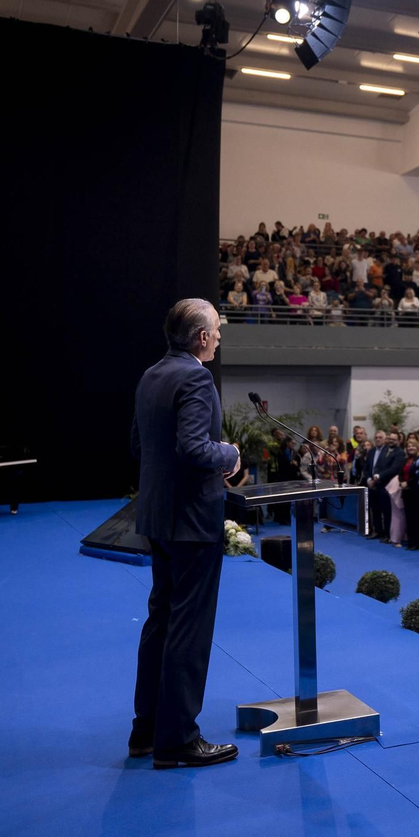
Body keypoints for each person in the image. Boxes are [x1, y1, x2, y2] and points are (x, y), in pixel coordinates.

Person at [128, 299, 243, 769]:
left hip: (157, 517)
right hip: (193, 523)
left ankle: (146, 731)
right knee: (188, 630)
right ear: (201, 337)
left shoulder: (152, 374)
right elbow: (196, 447)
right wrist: (230, 454)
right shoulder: (196, 377)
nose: (219, 336)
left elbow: (139, 445)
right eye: (217, 330)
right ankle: (178, 741)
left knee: (161, 621)